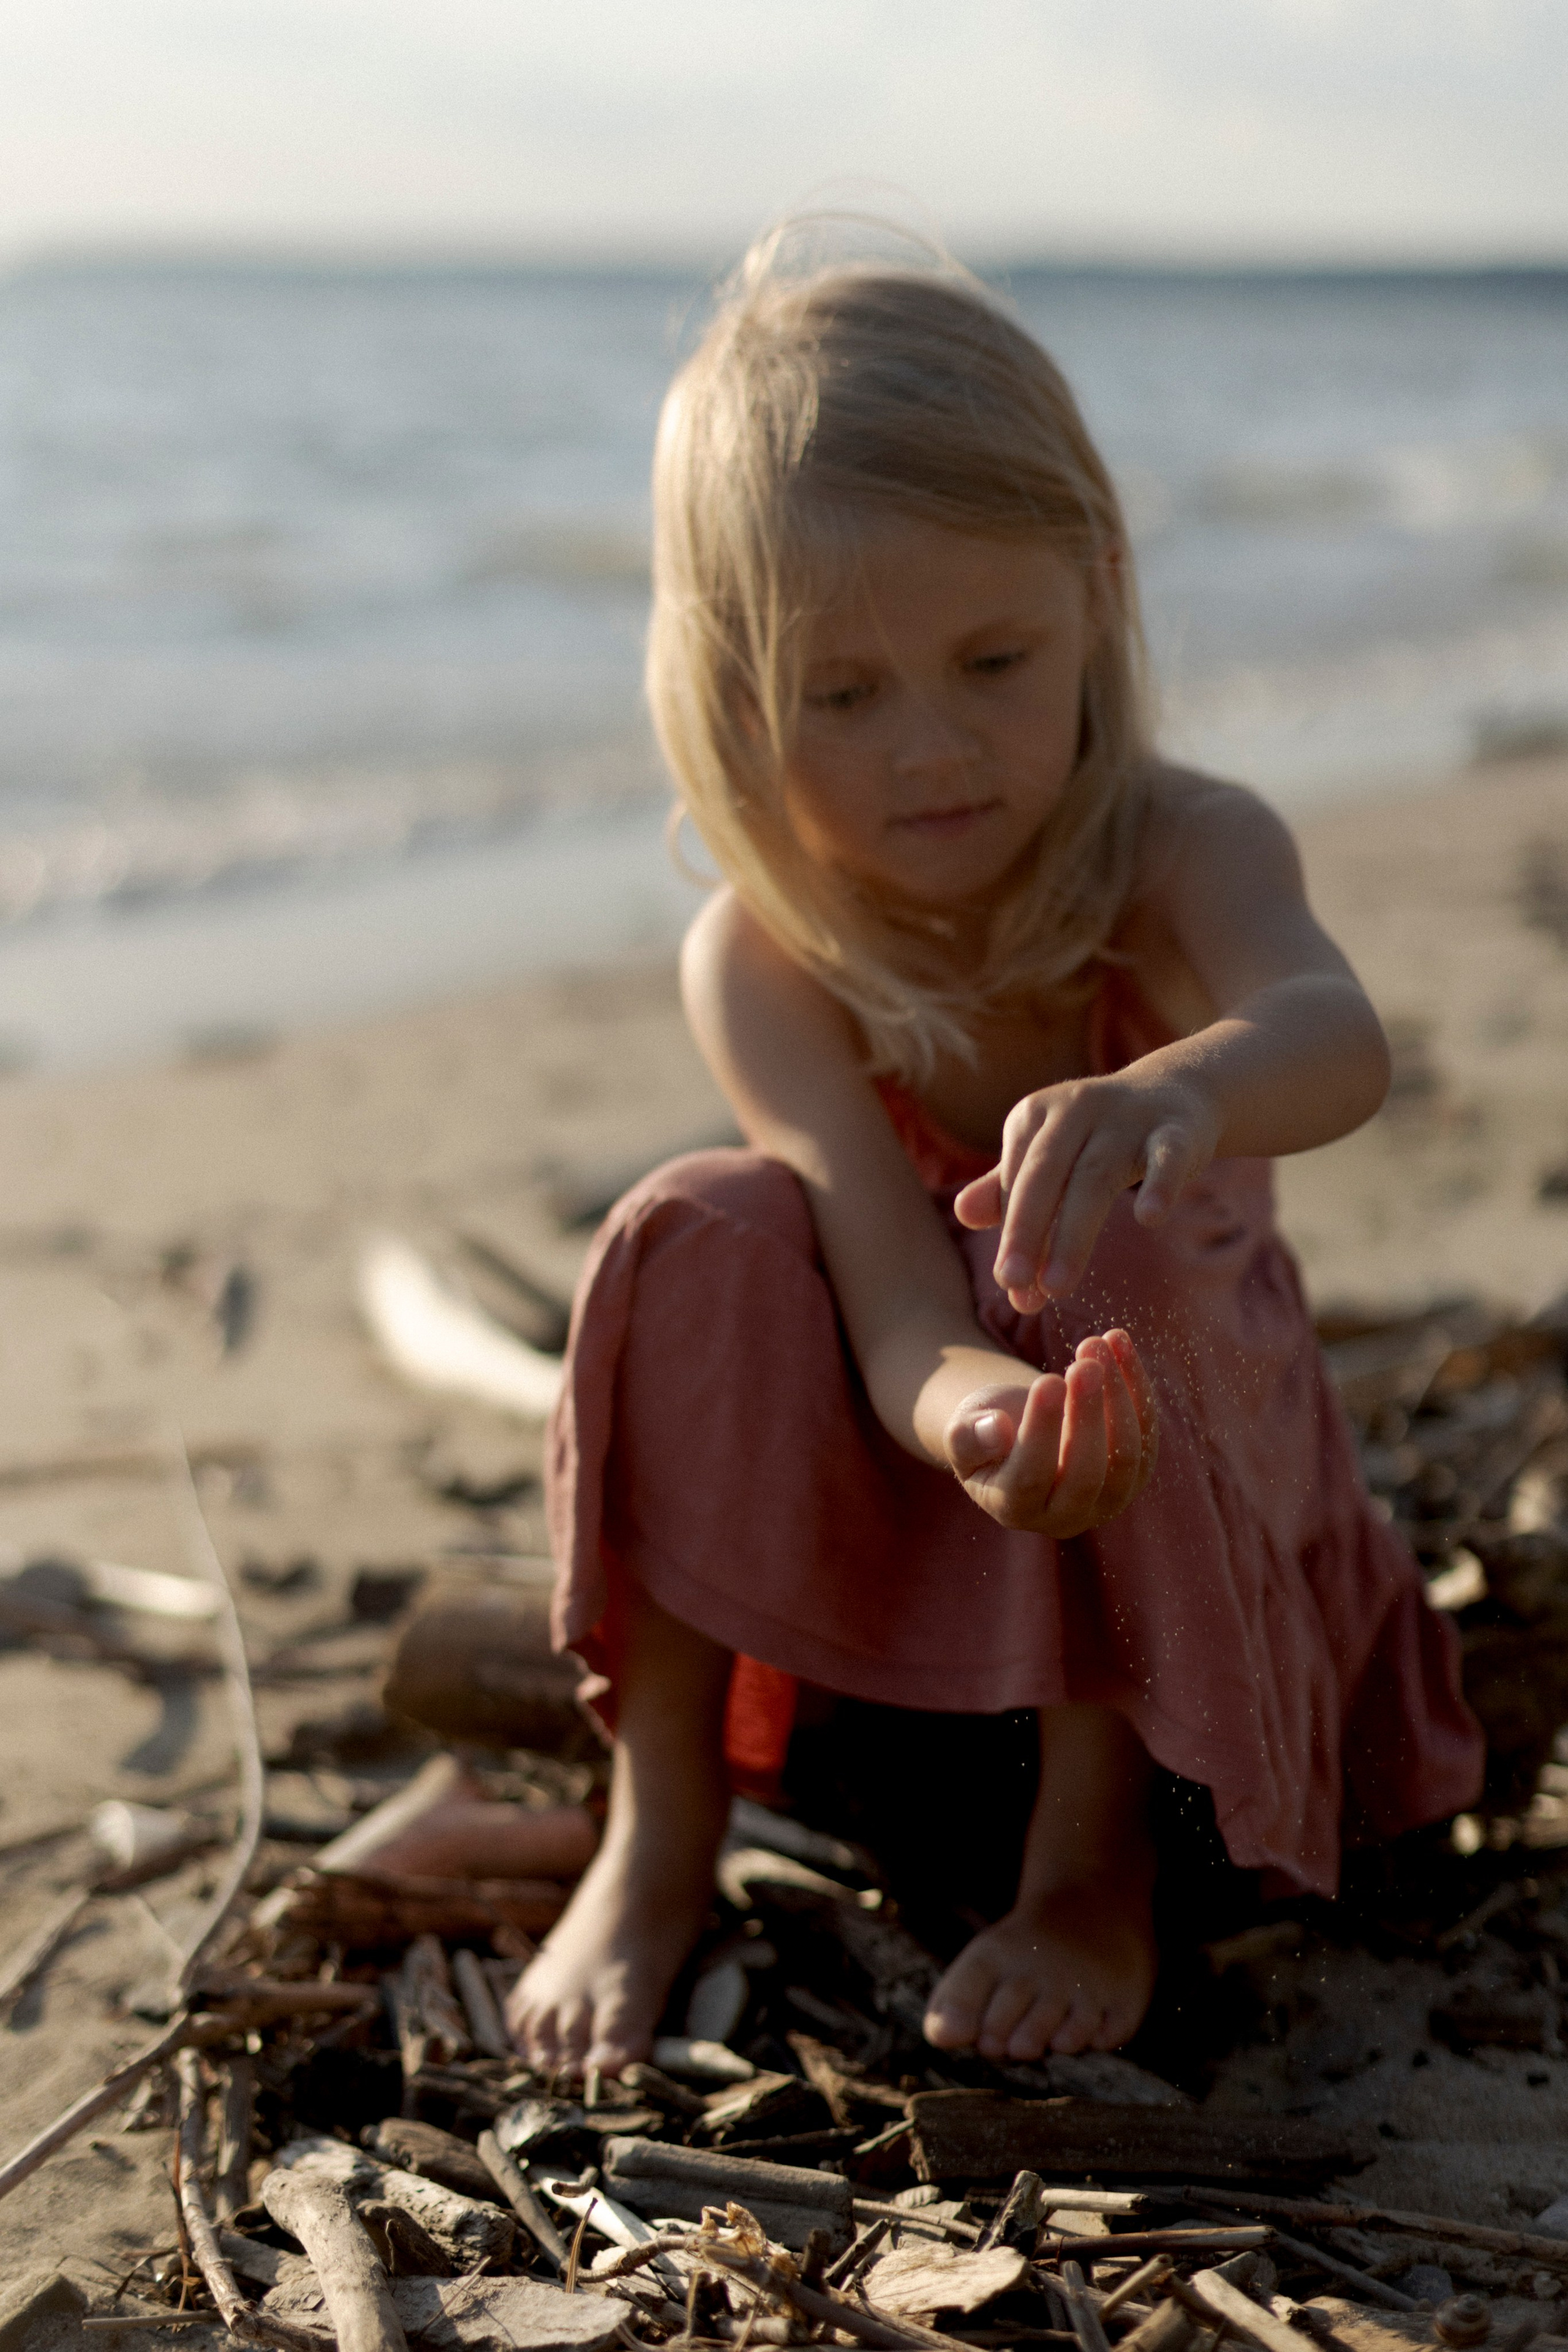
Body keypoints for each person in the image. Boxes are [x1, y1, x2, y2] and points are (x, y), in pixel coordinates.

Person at [474, 225, 1482, 2075]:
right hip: (910, 1664)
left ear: (1097, 590)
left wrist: (1183, 1094)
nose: (930, 751)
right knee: (696, 1223)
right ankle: (664, 1826)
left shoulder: (1184, 850)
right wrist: (976, 1429)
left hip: (1189, 1660)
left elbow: (1337, 1042)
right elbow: (881, 1293)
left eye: (992, 659)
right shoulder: (770, 960)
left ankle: (1091, 1873)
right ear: (730, 693)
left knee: (1087, 1240)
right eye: (841, 696)